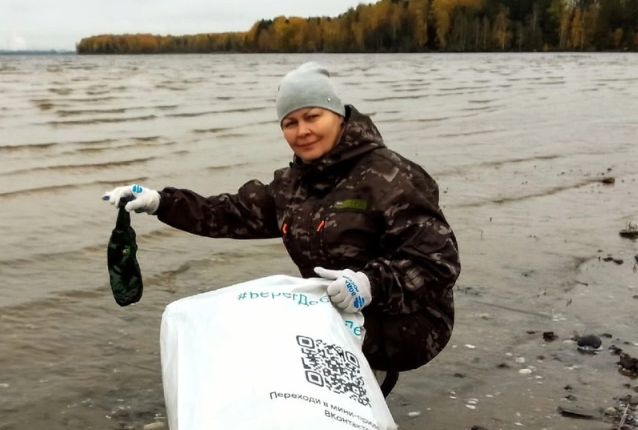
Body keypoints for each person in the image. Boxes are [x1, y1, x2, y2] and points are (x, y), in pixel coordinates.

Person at [102, 62, 460, 396]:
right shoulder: (291, 186)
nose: (302, 131)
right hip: (334, 308)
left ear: (337, 115)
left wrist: (369, 285)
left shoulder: (390, 175)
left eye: (312, 116)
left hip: (411, 319)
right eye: (290, 123)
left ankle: (367, 385)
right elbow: (228, 213)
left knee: (284, 349)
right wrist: (159, 202)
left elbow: (437, 263)